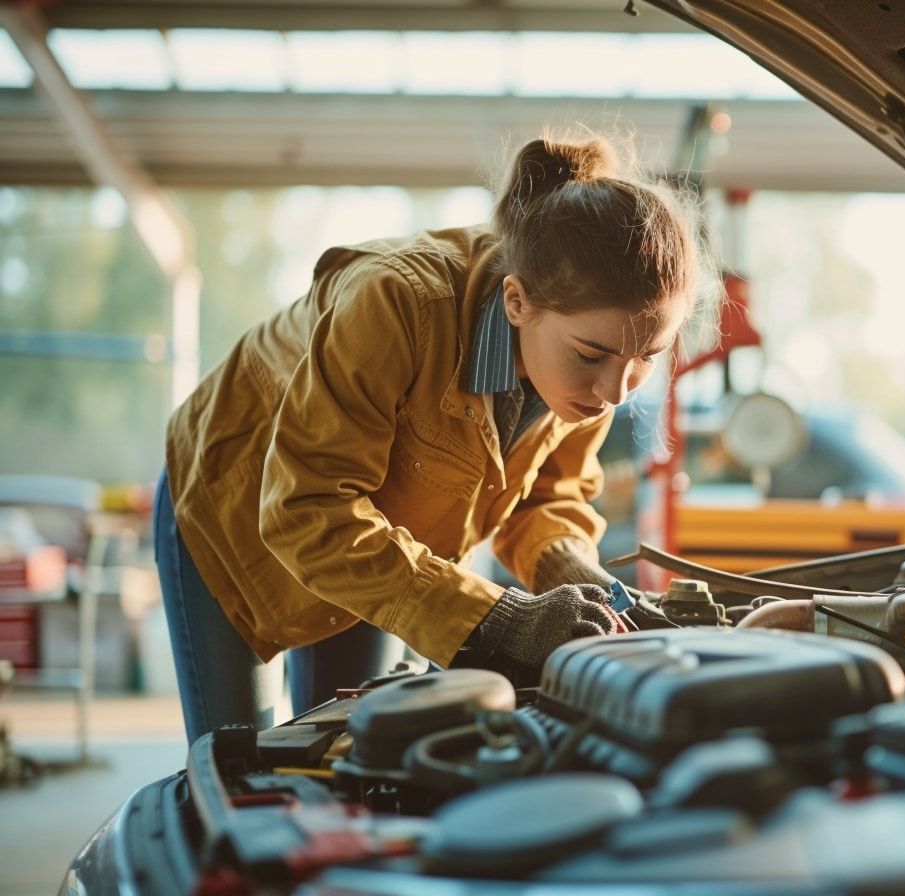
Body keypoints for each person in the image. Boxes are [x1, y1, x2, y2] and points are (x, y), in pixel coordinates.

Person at [153, 132, 712, 743]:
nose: (617, 391)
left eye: (648, 357)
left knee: (356, 747)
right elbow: (306, 511)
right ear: (517, 302)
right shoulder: (393, 303)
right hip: (228, 513)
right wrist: (506, 615)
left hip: (378, 541)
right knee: (241, 767)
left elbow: (547, 503)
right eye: (592, 355)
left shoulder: (592, 361)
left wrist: (586, 584)